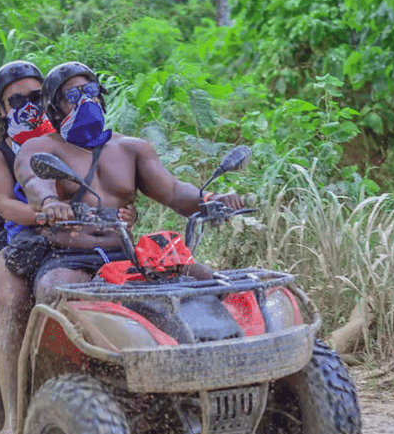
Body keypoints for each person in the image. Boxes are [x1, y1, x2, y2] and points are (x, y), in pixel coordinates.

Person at [0, 60, 136, 434]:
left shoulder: (67, 138)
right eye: (17, 100)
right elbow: (2, 205)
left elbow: (101, 186)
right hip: (19, 238)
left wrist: (119, 213)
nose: (27, 105)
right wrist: (44, 211)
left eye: (36, 97)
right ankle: (14, 420)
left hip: (72, 239)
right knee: (15, 304)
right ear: (2, 108)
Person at [14, 61, 244, 305]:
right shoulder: (40, 147)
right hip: (69, 256)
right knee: (54, 292)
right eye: (73, 95)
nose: (86, 101)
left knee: (212, 282)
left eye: (90, 91)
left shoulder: (131, 148)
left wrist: (211, 199)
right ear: (55, 108)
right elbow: (34, 180)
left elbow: (174, 192)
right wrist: (50, 202)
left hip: (126, 254)